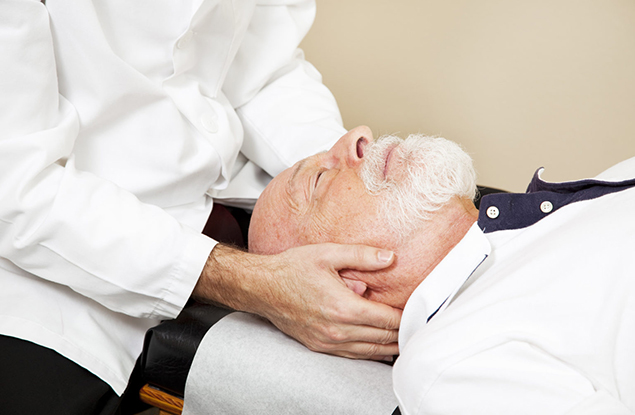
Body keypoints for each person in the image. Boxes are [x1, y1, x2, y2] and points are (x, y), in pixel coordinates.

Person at [0, 2, 401, 414]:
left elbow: (263, 70)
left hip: (219, 204)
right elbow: (15, 185)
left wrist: (344, 181)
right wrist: (252, 282)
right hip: (48, 264)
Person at [249, 126, 635, 413]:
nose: (358, 135)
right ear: (339, 287)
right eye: (318, 179)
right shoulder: (450, 363)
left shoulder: (561, 213)